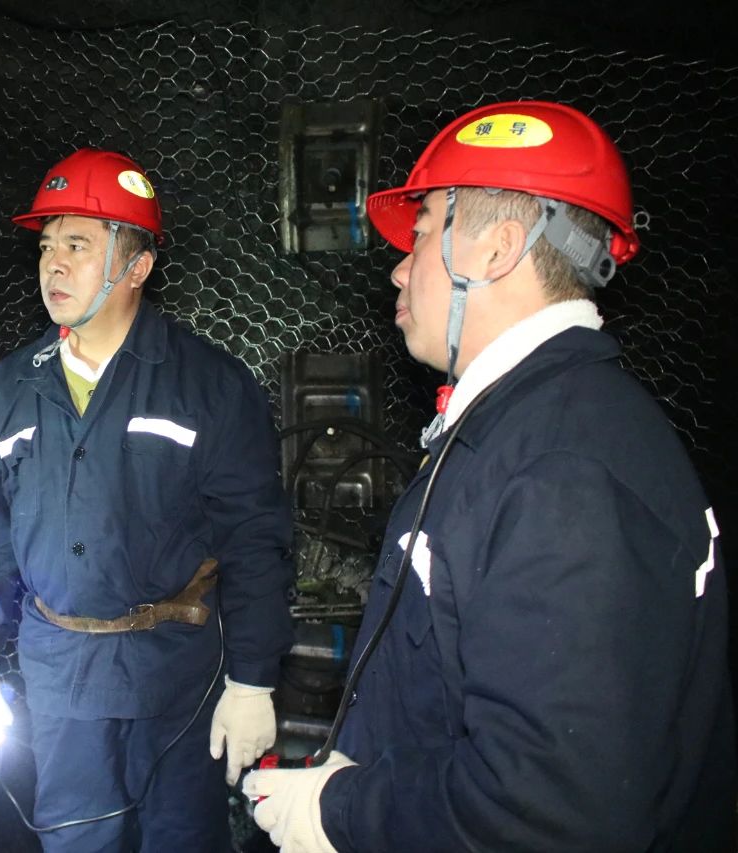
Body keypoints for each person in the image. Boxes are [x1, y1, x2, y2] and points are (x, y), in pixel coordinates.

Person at [244, 100, 735, 852]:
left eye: (421, 232)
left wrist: (339, 810)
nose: (399, 266)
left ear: (498, 249)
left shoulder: (564, 473)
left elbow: (553, 813)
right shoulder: (534, 425)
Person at [0, 148, 294, 851]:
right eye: (46, 245)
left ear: (136, 267)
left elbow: (255, 538)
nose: (53, 264)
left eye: (77, 244)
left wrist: (253, 679)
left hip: (177, 675)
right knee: (74, 838)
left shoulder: (209, 385)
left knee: (183, 840)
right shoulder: (6, 390)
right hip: (59, 676)